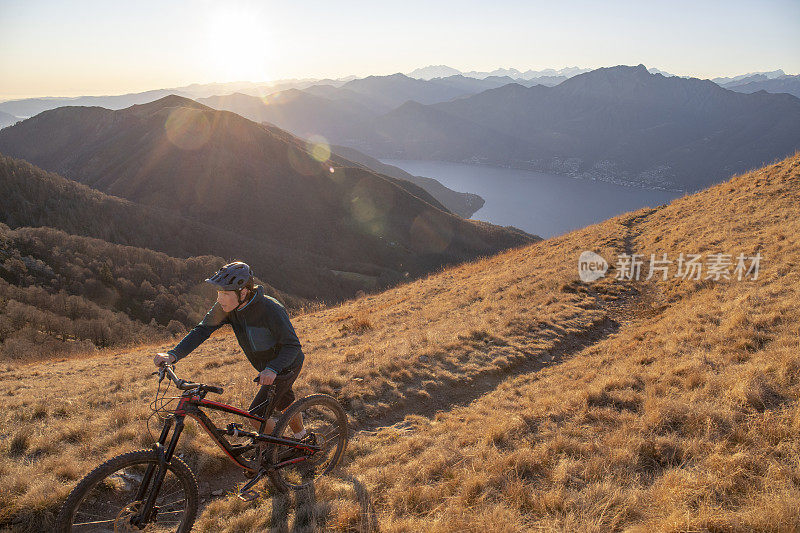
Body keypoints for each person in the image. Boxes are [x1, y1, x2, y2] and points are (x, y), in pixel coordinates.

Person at [153, 261, 308, 442]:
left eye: (225, 293)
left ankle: (280, 450)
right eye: (219, 292)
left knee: (256, 415)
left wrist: (273, 368)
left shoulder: (270, 309)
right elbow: (202, 330)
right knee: (285, 402)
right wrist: (173, 354)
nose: (220, 299)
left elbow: (293, 346)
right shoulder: (226, 308)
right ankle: (301, 439)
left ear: (243, 292)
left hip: (286, 364)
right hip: (267, 368)